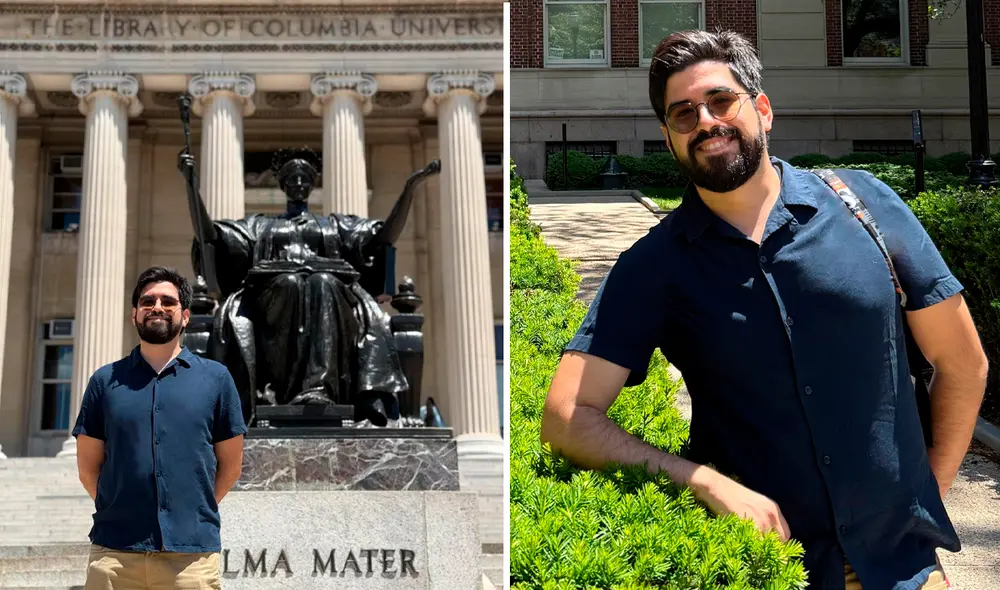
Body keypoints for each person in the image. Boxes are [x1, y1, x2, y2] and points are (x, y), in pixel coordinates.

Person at [540, 29, 987, 590]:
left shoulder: (866, 205)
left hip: (904, 572)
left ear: (763, 109)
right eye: (683, 115)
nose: (705, 121)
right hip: (769, 572)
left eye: (721, 100)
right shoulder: (654, 266)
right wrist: (702, 480)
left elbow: (962, 362)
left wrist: (927, 497)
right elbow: (566, 415)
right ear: (669, 136)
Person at [72, 266, 247, 590]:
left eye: (168, 301)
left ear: (185, 316)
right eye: (147, 300)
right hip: (115, 557)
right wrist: (123, 509)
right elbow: (87, 467)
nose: (157, 307)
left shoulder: (217, 379)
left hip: (190, 561)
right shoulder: (104, 382)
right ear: (134, 314)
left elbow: (231, 465)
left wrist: (190, 509)